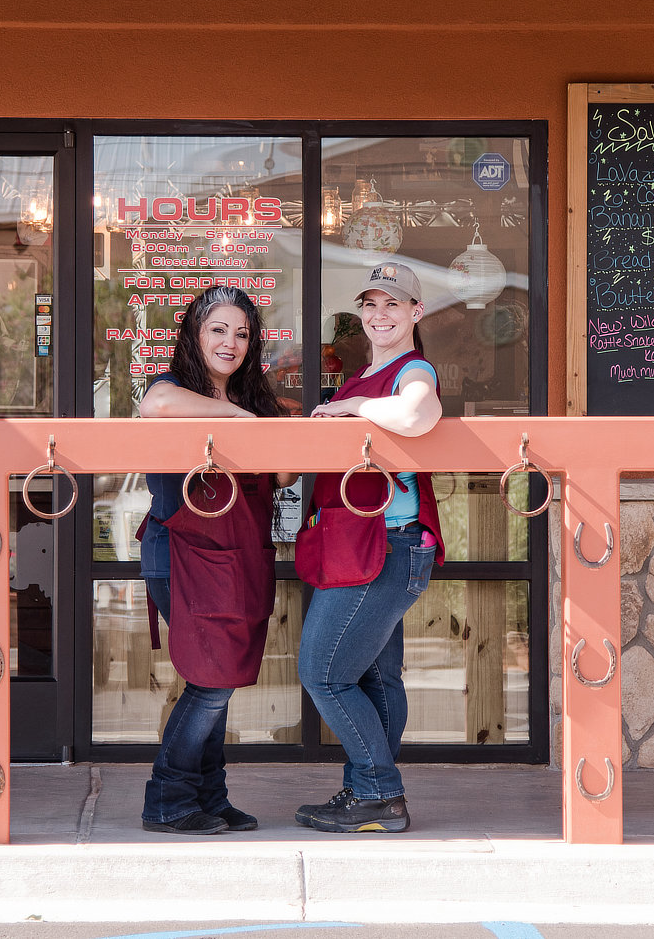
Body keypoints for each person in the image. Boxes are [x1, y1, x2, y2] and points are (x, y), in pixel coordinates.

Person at [295, 261, 443, 833]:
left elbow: (416, 413)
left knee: (324, 672)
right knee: (377, 679)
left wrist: (350, 408)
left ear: (415, 313)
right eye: (371, 305)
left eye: (393, 304)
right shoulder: (361, 377)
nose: (380, 315)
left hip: (387, 545)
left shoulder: (414, 369)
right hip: (362, 543)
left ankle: (379, 791)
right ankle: (366, 792)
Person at [135, 285, 289, 834]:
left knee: (216, 675)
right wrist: (244, 423)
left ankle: (209, 798)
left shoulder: (256, 398)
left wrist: (263, 421)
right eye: (218, 330)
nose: (231, 342)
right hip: (179, 554)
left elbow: (285, 475)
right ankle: (168, 799)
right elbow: (154, 407)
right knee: (213, 680)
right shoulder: (170, 388)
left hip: (237, 556)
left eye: (242, 333)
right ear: (194, 335)